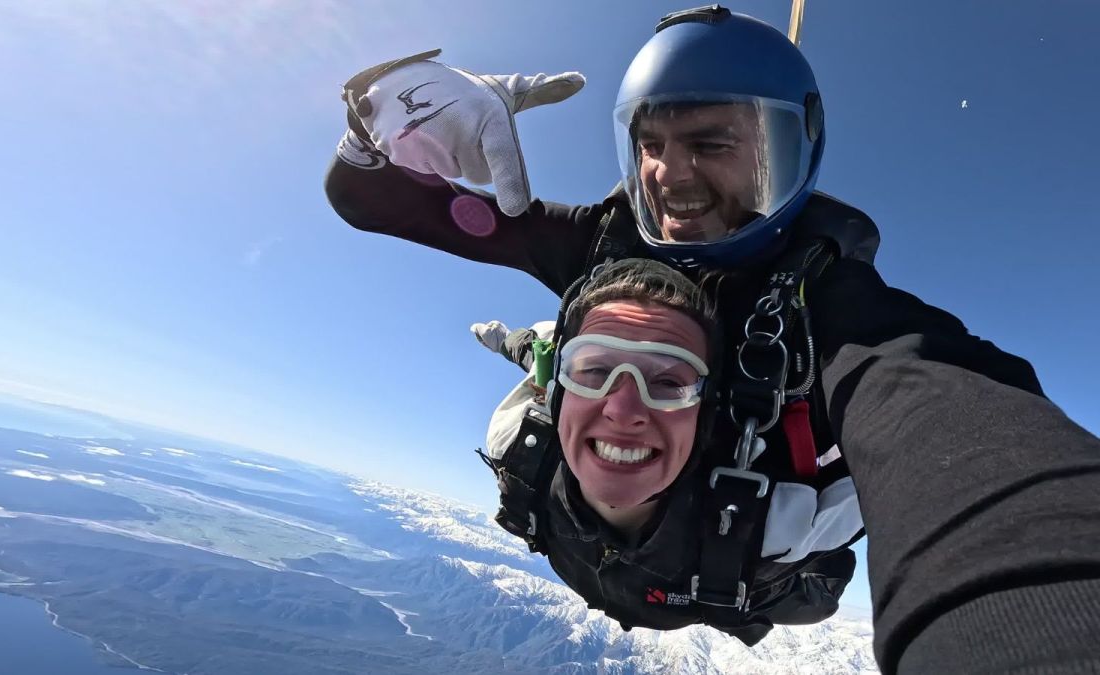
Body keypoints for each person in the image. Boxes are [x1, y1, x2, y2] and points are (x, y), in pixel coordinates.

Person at [324, 7, 1100, 673]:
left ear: (790, 150)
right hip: (593, 544)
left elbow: (958, 429)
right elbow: (368, 200)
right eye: (651, 143)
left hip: (718, 579)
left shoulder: (833, 307)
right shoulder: (599, 247)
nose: (669, 174)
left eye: (712, 142)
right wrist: (381, 117)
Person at [473, 259, 862, 646]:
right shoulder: (520, 445)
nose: (623, 411)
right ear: (559, 395)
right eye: (594, 371)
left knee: (820, 602)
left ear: (704, 413)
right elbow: (536, 354)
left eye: (668, 380)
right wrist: (506, 339)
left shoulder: (775, 529)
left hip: (748, 584)